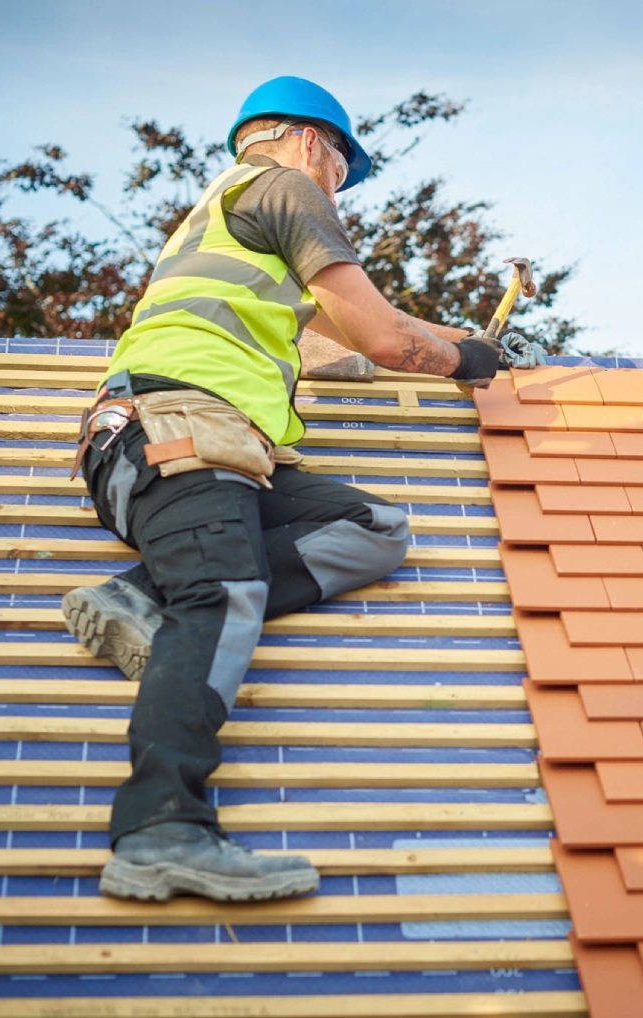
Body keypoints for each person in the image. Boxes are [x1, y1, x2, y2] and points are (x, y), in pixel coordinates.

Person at [61, 76, 541, 904]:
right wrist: (468, 363)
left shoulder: (231, 219)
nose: (336, 189)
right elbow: (384, 336)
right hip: (177, 429)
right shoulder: (284, 186)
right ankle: (161, 827)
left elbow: (347, 333)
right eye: (340, 171)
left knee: (372, 528)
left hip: (211, 445)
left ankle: (141, 596)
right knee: (223, 593)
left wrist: (458, 341)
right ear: (310, 140)